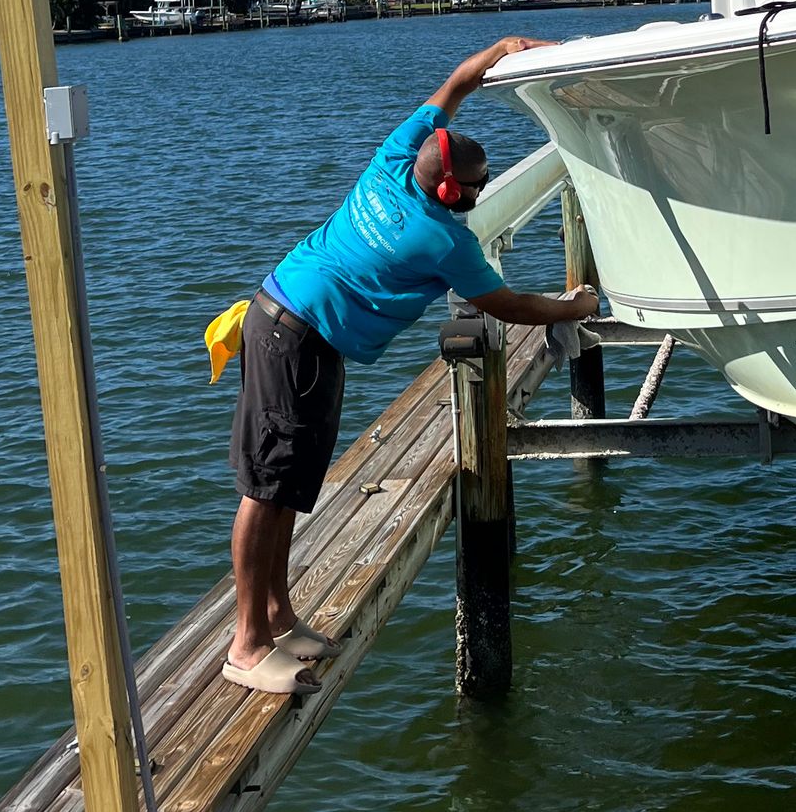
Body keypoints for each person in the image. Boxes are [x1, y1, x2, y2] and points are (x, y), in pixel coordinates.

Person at [222, 36, 598, 694]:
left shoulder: (396, 156)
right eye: (478, 187)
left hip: (294, 324)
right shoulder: (442, 239)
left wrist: (503, 51)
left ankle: (278, 617)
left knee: (289, 488)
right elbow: (506, 303)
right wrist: (574, 308)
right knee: (266, 490)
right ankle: (247, 644)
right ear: (451, 189)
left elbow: (454, 86)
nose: (483, 194)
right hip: (294, 337)